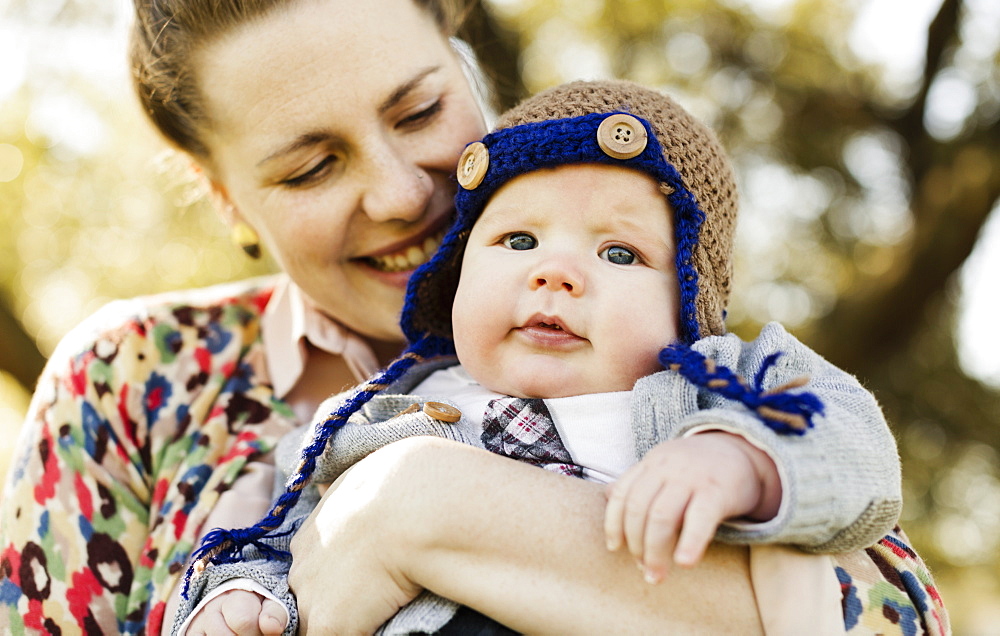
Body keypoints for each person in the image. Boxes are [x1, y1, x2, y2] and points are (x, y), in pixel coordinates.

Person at [0, 0, 947, 634]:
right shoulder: (134, 382)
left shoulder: (671, 336)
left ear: (467, 64)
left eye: (417, 112)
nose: (402, 194)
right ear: (225, 197)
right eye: (311, 166)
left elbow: (895, 611)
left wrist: (420, 510)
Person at [176, 81, 946, 636]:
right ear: (457, 275)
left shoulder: (724, 387)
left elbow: (855, 447)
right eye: (518, 240)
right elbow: (269, 537)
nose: (557, 272)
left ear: (689, 306)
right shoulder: (374, 415)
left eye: (619, 251)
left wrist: (741, 460)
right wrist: (240, 597)